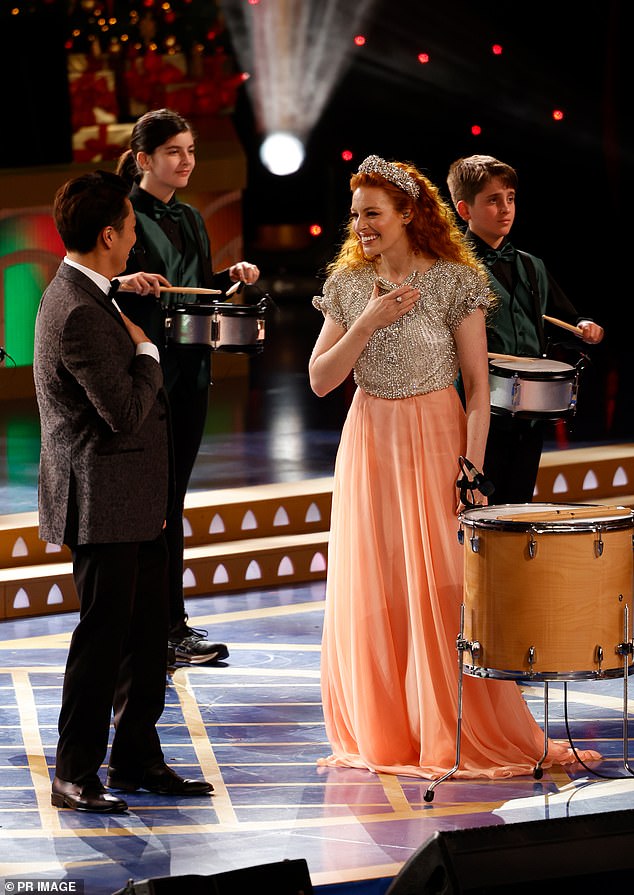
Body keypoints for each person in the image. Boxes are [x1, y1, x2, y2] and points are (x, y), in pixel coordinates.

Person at [309, 154, 601, 778]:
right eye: (355, 214)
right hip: (370, 441)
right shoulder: (349, 285)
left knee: (443, 587)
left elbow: (476, 386)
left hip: (438, 435)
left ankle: (458, 726)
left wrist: (470, 466)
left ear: (408, 214)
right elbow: (320, 379)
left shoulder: (454, 280)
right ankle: (390, 731)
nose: (360, 226)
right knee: (379, 584)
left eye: (373, 214)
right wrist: (366, 322)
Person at [33, 170, 213, 813]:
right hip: (103, 500)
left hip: (136, 499)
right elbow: (123, 412)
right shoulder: (78, 311)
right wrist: (148, 354)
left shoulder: (94, 291)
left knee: (144, 641)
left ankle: (136, 756)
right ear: (108, 235)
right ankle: (74, 770)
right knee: (102, 641)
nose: (137, 241)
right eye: (132, 230)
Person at [115, 108, 260, 665]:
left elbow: (195, 290)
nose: (186, 162)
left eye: (191, 152)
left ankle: (168, 624)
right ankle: (158, 625)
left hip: (192, 373)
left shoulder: (194, 218)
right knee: (153, 502)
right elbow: (93, 279)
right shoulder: (121, 211)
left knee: (172, 501)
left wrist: (230, 279)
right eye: (174, 152)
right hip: (145, 373)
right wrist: (124, 282)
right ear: (145, 158)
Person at [446, 154, 604, 504]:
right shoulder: (453, 269)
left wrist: (582, 326)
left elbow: (560, 318)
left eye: (511, 198)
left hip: (528, 415)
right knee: (476, 508)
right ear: (464, 209)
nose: (506, 209)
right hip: (476, 409)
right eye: (492, 200)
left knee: (517, 505)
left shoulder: (532, 266)